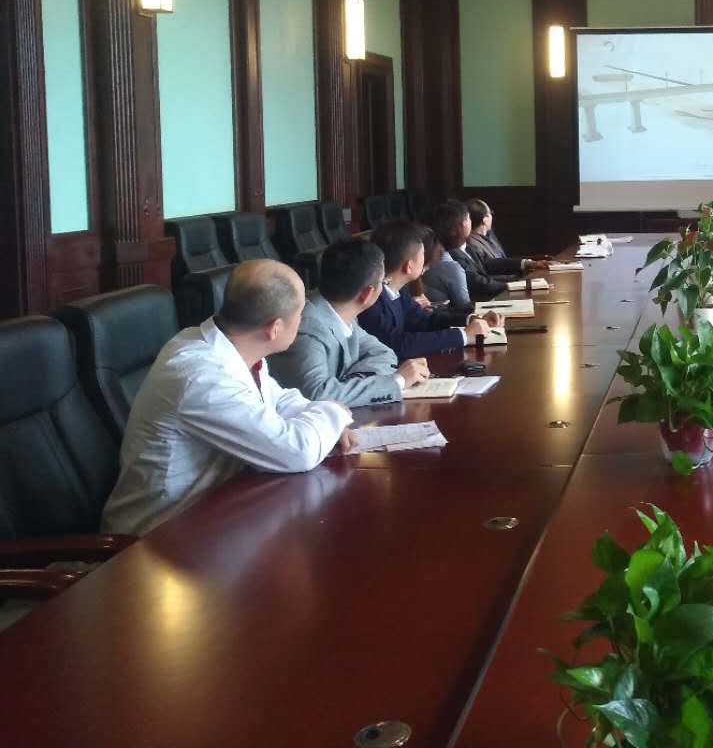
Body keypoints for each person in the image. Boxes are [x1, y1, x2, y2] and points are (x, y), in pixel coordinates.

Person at [101, 260, 355, 536]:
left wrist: (322, 419)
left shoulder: (231, 344)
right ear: (274, 328)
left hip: (217, 512)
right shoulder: (202, 375)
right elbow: (297, 451)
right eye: (300, 313)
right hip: (156, 537)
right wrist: (335, 412)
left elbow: (279, 400)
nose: (303, 319)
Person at [269, 239, 430, 407]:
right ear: (367, 294)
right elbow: (317, 395)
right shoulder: (306, 326)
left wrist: (351, 384)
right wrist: (397, 381)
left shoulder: (344, 312)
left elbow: (383, 353)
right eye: (382, 282)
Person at [360, 221, 503, 360]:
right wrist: (464, 335)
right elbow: (398, 344)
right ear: (409, 266)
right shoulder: (371, 299)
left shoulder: (398, 290)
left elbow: (425, 320)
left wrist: (471, 320)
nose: (426, 259)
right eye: (423, 254)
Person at [425, 199, 507, 306]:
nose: (470, 222)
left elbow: (485, 265)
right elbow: (474, 285)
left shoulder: (465, 245)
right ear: (456, 228)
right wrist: (509, 286)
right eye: (468, 219)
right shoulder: (449, 258)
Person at [465, 198, 548, 279]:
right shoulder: (471, 243)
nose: (492, 216)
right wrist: (527, 265)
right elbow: (491, 266)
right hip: (504, 283)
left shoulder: (489, 235)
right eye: (491, 213)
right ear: (485, 220)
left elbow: (504, 261)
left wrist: (529, 264)